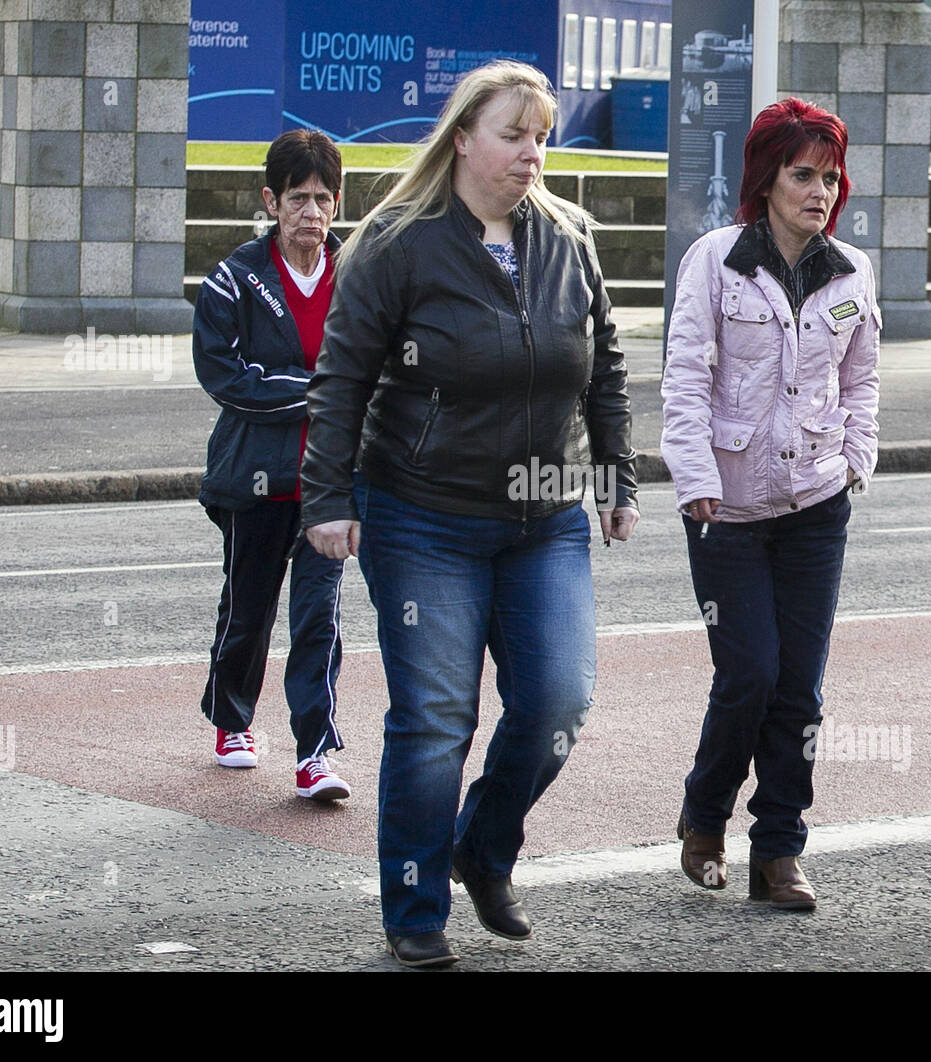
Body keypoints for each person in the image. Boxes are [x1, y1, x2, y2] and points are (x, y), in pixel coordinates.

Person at [301, 60, 639, 967]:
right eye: (513, 134)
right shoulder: (395, 242)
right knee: (438, 716)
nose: (532, 153)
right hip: (423, 515)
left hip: (545, 516)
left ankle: (482, 849)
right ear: (462, 138)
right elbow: (340, 382)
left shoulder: (569, 236)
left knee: (558, 702)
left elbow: (601, 360)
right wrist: (328, 498)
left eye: (542, 136)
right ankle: (415, 912)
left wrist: (617, 475)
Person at [660, 97, 880, 911]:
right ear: (767, 178)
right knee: (748, 673)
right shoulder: (715, 260)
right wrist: (695, 479)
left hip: (817, 503)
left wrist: (857, 457)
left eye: (829, 176)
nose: (819, 191)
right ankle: (705, 815)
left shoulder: (851, 271)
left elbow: (861, 378)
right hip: (727, 508)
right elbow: (684, 377)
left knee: (801, 689)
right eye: (802, 174)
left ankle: (779, 849)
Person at [192, 130, 352, 802]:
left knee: (319, 619)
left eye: (321, 198)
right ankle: (232, 719)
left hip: (329, 486)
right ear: (270, 201)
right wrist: (319, 389)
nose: (310, 212)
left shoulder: (359, 276)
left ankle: (315, 755)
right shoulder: (235, 277)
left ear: (336, 204)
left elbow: (373, 367)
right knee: (248, 610)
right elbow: (225, 374)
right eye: (296, 198)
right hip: (253, 480)